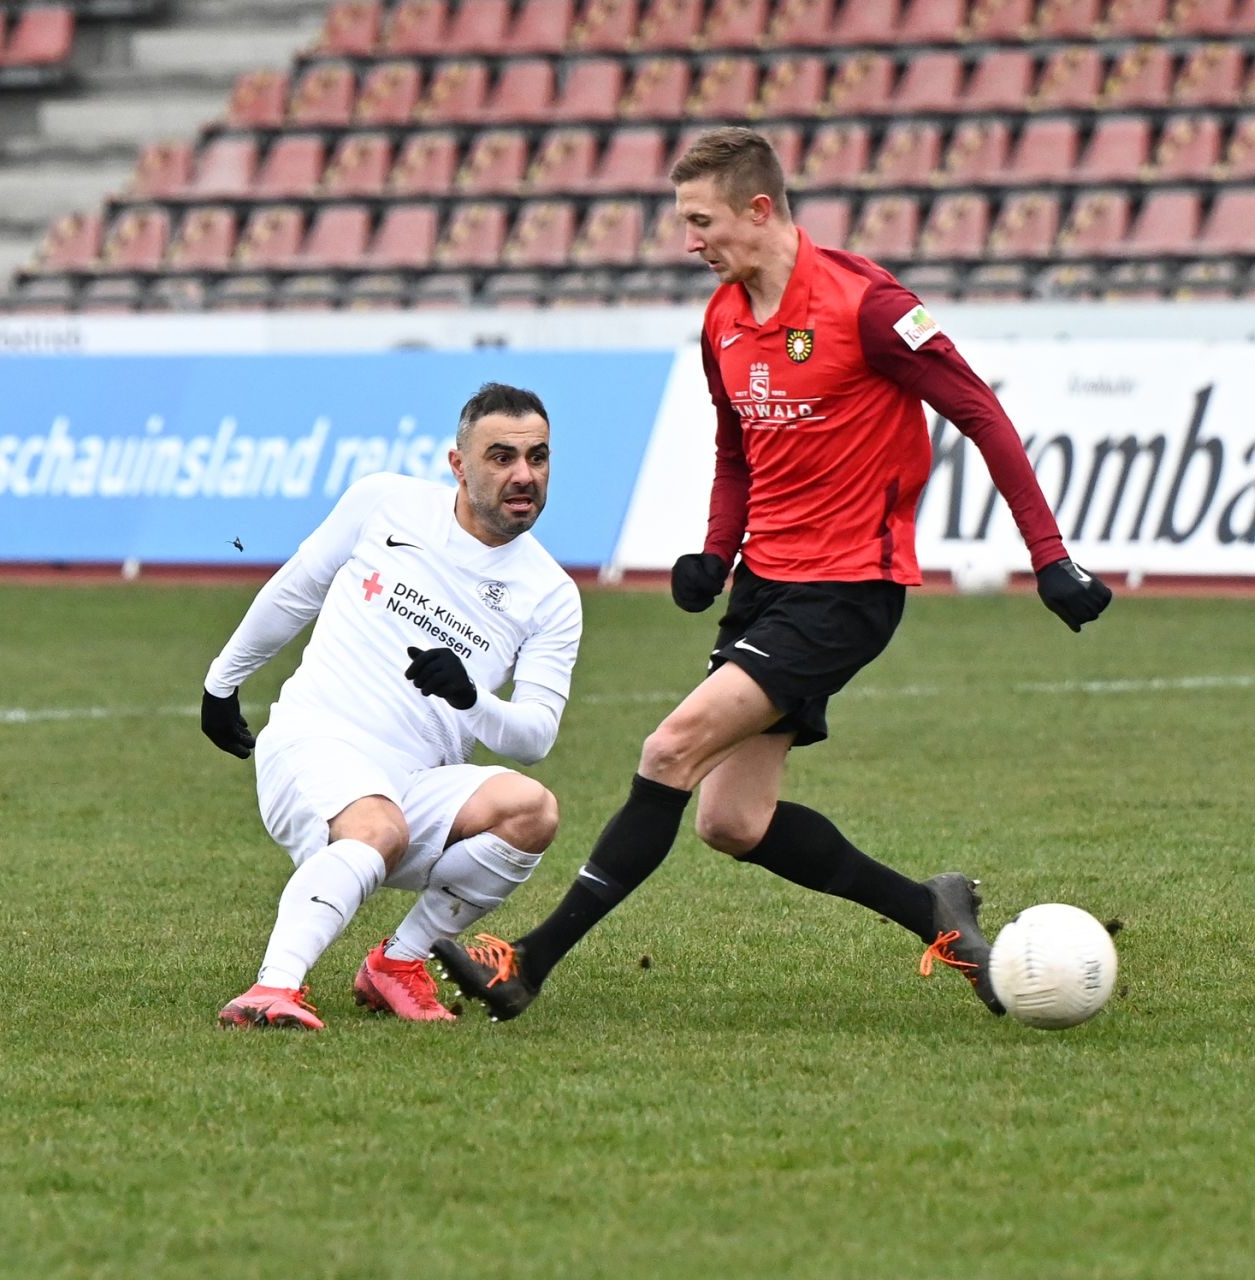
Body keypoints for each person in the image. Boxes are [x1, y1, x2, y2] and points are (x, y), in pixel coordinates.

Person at [434, 127, 1112, 1023]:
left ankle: (528, 959)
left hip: (848, 591)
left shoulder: (869, 305)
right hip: (767, 587)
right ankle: (932, 908)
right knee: (732, 822)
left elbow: (980, 412)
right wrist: (718, 551)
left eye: (700, 220)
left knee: (668, 749)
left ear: (760, 209)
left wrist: (1050, 556)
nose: (688, 241)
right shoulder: (723, 317)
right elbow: (735, 449)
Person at [202, 383, 582, 1029]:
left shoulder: (551, 594)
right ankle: (273, 988)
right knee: (379, 827)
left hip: (416, 781)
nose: (524, 475)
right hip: (316, 742)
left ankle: (397, 963)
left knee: (531, 811)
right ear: (458, 464)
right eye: (501, 457)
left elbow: (535, 736)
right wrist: (222, 682)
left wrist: (471, 698)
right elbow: (298, 590)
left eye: (538, 457)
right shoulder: (387, 502)